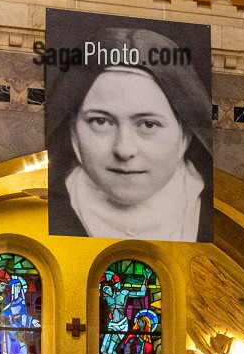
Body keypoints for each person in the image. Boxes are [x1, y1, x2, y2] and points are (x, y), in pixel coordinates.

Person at [46, 25, 212, 241]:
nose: (124, 150)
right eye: (101, 121)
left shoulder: (218, 218)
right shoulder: (39, 209)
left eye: (148, 125)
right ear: (73, 130)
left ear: (185, 135)